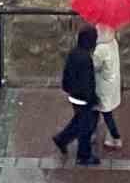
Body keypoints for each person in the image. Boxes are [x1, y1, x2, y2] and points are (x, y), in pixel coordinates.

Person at [52, 27, 101, 166]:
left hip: (73, 95)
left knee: (79, 120)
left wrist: (67, 88)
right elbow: (87, 82)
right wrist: (92, 99)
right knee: (86, 126)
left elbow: (66, 74)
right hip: (83, 98)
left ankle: (62, 139)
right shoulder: (86, 58)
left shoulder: (73, 53)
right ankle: (83, 156)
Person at [93, 25, 123, 149]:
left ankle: (116, 137)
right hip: (113, 82)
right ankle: (93, 132)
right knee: (98, 110)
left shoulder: (100, 49)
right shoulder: (113, 42)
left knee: (105, 113)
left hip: (102, 86)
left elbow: (95, 66)